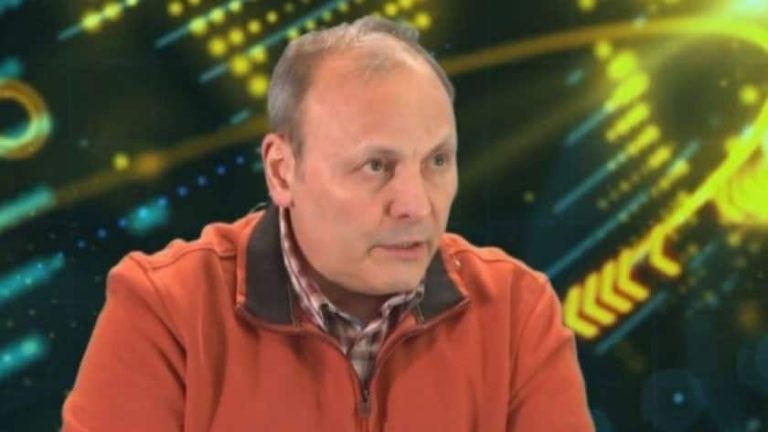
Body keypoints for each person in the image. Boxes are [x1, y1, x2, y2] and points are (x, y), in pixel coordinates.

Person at [61, 15, 594, 432]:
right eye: (376, 166)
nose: (416, 205)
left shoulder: (516, 311)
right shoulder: (166, 312)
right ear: (281, 171)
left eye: (437, 161)